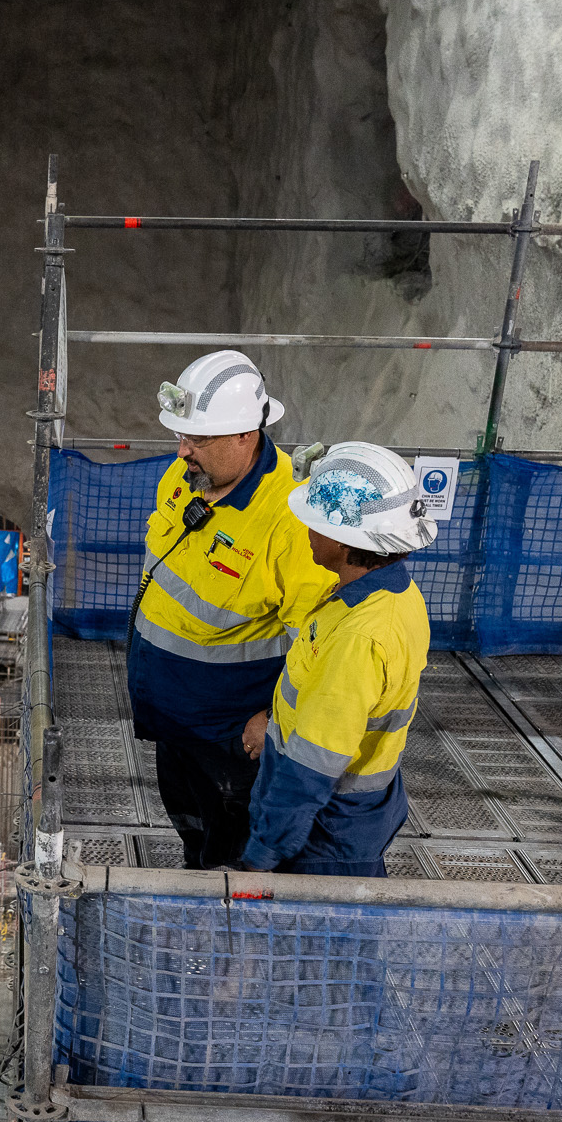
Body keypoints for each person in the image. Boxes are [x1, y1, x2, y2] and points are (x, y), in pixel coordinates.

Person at [127, 351, 330, 869]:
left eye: (197, 440)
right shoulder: (182, 478)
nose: (182, 450)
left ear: (245, 435)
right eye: (180, 436)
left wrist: (274, 718)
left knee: (230, 854)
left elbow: (324, 644)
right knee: (192, 828)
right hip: (172, 718)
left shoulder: (290, 520)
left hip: (230, 735)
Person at [233, 442, 435, 877]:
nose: (305, 529)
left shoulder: (361, 636)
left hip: (324, 839)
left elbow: (312, 768)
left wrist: (261, 856)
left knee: (320, 942)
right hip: (352, 821)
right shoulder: (395, 597)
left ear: (346, 540)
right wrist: (273, 721)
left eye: (315, 522)